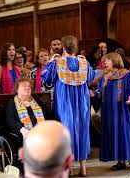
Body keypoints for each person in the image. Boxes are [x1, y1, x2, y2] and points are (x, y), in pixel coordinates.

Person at [42, 35, 94, 176]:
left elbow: (47, 80)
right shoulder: (84, 63)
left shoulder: (57, 63)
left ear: (63, 47)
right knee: (82, 130)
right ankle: (83, 169)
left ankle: (69, 168)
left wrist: (48, 64)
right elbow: (90, 78)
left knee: (66, 130)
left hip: (64, 101)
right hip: (82, 101)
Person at [90, 52, 130, 171]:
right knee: (116, 135)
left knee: (126, 134)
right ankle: (120, 161)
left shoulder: (127, 75)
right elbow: (100, 92)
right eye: (103, 61)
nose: (104, 63)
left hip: (125, 110)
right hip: (110, 111)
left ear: (114, 60)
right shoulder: (105, 78)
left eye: (106, 61)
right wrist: (93, 94)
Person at [5, 77, 47, 144]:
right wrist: (22, 130)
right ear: (17, 89)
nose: (27, 88)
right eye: (24, 86)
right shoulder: (11, 103)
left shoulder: (38, 102)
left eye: (29, 86)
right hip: (24, 135)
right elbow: (11, 121)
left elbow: (48, 117)